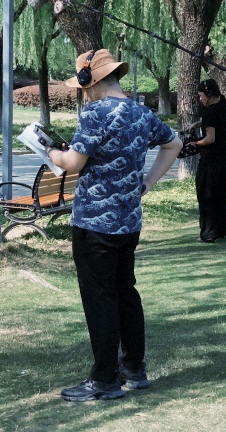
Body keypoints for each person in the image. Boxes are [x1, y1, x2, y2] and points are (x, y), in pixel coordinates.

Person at [45, 48, 181, 402]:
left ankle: (104, 379)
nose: (83, 93)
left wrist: (51, 152)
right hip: (128, 221)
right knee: (125, 293)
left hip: (94, 223)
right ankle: (134, 369)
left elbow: (73, 163)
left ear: (92, 80)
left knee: (100, 298)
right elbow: (174, 143)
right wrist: (147, 182)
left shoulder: (95, 113)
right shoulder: (141, 112)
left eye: (82, 86)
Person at [193, 78, 226, 242]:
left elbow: (210, 139)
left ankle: (208, 232)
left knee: (207, 195)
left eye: (201, 95)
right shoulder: (222, 103)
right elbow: (216, 122)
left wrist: (194, 144)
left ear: (208, 93)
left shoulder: (209, 112)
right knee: (222, 196)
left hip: (211, 161)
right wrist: (198, 124)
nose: (200, 98)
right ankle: (220, 230)